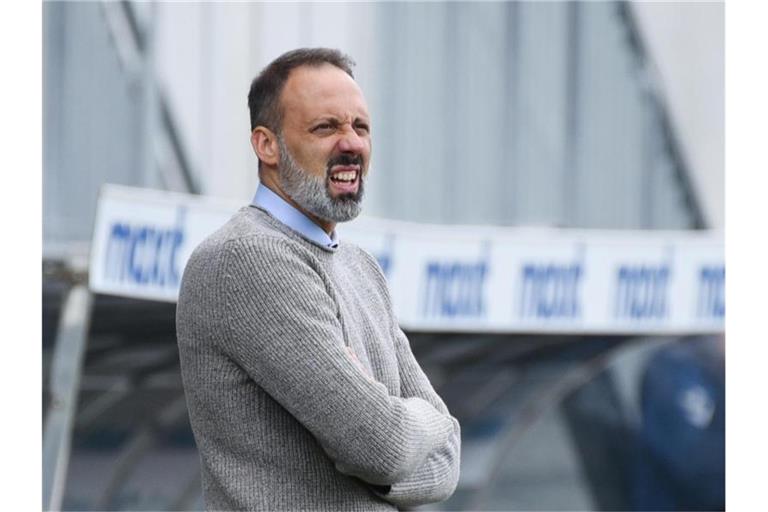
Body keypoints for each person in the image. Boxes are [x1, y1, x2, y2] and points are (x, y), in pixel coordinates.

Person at [176, 48, 461, 511]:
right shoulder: (246, 259)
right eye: (325, 127)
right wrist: (424, 423)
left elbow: (449, 458)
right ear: (266, 145)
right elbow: (381, 445)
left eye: (360, 127)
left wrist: (400, 431)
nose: (351, 144)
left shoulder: (360, 268)